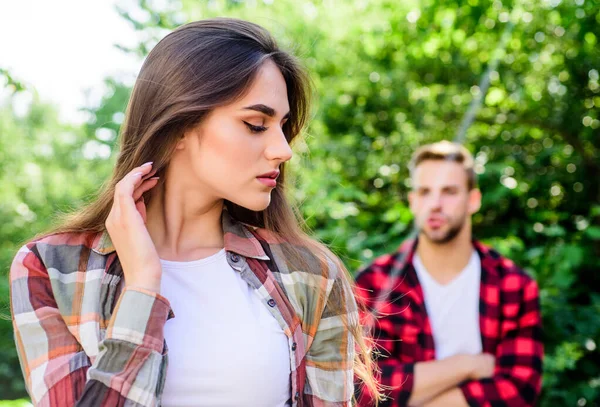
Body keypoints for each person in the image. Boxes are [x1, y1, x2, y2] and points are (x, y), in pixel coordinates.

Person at [10, 18, 380, 407]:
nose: (283, 150)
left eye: (282, 127)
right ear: (180, 125)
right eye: (256, 124)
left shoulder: (311, 274)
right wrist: (142, 285)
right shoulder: (50, 268)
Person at [355, 141, 543, 407]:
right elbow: (363, 388)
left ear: (473, 200)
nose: (435, 204)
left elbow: (519, 389)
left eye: (449, 191)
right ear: (413, 201)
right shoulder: (375, 283)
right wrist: (466, 365)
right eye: (424, 192)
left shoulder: (513, 285)